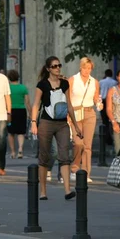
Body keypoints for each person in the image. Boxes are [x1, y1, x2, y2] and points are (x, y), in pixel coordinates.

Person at [30, 56, 78, 200]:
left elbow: (69, 104)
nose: (57, 68)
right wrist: (33, 122)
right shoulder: (42, 85)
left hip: (62, 123)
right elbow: (36, 105)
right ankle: (43, 191)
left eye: (59, 65)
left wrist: (75, 126)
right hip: (46, 122)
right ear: (48, 69)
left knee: (64, 155)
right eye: (54, 66)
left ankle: (67, 190)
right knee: (44, 156)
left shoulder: (65, 84)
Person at [69, 57, 102, 183]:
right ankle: (74, 168)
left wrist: (99, 104)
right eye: (84, 67)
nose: (87, 70)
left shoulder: (94, 82)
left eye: (89, 68)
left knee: (87, 145)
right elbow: (68, 97)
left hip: (89, 112)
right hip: (76, 112)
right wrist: (68, 112)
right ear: (80, 67)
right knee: (78, 142)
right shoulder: (72, 80)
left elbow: (96, 97)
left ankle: (86, 172)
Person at [7, 70, 30, 159]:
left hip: (10, 111)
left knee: (11, 132)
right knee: (21, 132)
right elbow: (27, 102)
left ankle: (13, 152)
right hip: (21, 110)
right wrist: (30, 113)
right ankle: (20, 149)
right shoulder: (23, 88)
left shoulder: (8, 88)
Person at [99, 69, 118, 147]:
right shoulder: (114, 82)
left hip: (103, 101)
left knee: (104, 121)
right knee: (111, 120)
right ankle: (110, 138)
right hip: (111, 101)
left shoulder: (101, 82)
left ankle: (106, 138)